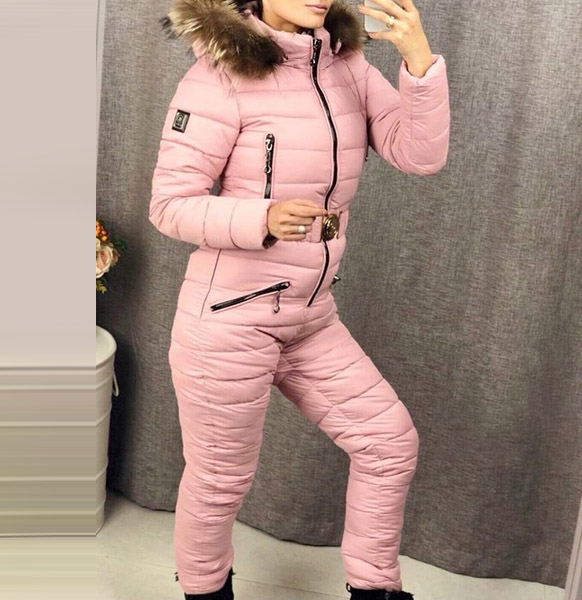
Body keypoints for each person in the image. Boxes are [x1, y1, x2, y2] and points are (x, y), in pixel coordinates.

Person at [150, 0, 450, 598]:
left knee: (388, 443)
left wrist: (418, 60)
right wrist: (261, 217)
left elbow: (420, 155)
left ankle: (376, 590)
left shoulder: (346, 65)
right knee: (220, 479)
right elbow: (169, 204)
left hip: (311, 317)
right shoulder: (219, 75)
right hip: (229, 319)